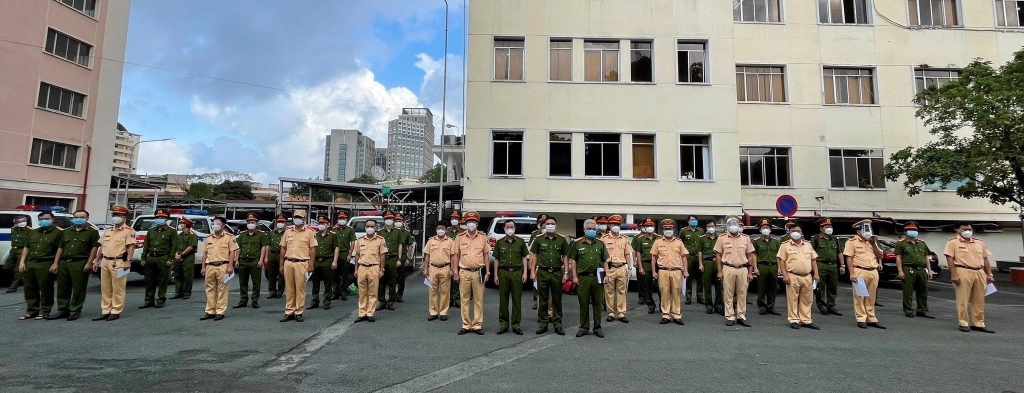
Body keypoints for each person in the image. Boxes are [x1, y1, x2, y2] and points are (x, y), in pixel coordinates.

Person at [944, 223, 995, 333]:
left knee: (979, 299)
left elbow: (985, 259)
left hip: (979, 271)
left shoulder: (979, 242)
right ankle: (963, 322)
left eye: (969, 229)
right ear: (958, 230)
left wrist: (989, 274)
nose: (967, 231)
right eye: (964, 229)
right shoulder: (952, 242)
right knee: (963, 299)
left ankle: (978, 323)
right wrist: (954, 274)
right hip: (963, 270)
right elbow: (950, 259)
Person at [52, 209, 99, 321]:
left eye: (82, 217)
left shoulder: (92, 232)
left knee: (78, 288)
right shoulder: (66, 231)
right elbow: (60, 247)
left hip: (80, 262)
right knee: (62, 287)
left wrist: (89, 262)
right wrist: (55, 263)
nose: (78, 219)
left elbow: (94, 248)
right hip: (64, 262)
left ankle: (75, 310)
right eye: (76, 217)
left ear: (87, 218)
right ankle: (63, 309)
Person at [92, 205, 136, 321]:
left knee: (118, 288)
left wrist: (128, 261)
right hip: (106, 261)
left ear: (124, 217)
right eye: (114, 215)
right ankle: (106, 310)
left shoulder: (129, 231)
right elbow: (102, 247)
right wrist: (96, 260)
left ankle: (116, 310)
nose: (115, 217)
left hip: (119, 261)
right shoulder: (108, 230)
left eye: (118, 215)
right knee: (105, 287)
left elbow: (130, 247)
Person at [18, 211, 62, 320]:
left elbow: (59, 249)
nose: (44, 221)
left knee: (45, 287)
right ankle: (32, 310)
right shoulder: (34, 232)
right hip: (31, 262)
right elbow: (27, 247)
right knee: (29, 287)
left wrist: (55, 263)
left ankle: (44, 310)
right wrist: (22, 262)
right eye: (41, 219)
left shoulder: (58, 233)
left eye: (46, 219)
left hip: (46, 262)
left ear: (52, 219)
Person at [569, 219, 610, 337]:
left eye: (593, 229)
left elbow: (604, 261)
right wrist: (574, 276)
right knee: (584, 303)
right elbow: (574, 261)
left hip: (597, 277)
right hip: (583, 278)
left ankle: (597, 328)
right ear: (584, 229)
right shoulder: (577, 244)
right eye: (589, 229)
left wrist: (607, 275)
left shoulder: (600, 244)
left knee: (598, 303)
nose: (592, 231)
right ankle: (584, 327)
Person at [452, 211, 490, 335]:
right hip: (464, 272)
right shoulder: (460, 237)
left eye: (473, 222)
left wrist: (488, 271)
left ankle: (477, 325)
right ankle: (466, 324)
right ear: (465, 223)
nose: (471, 224)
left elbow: (485, 255)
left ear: (477, 223)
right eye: (469, 222)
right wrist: (455, 272)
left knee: (479, 299)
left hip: (478, 272)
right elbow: (456, 255)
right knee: (464, 299)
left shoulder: (482, 237)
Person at [530, 216, 569, 335]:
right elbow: (535, 256)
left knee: (557, 299)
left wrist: (566, 272)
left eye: (552, 223)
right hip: (543, 272)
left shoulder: (562, 239)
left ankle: (558, 324)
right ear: (544, 226)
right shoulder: (539, 239)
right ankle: (543, 324)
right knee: (543, 300)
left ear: (556, 226)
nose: (550, 226)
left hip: (557, 272)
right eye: (548, 224)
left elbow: (565, 256)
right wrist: (532, 271)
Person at [844, 220, 885, 329]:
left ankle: (871, 318)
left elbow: (880, 255)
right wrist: (852, 273)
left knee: (871, 297)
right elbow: (849, 257)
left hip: (873, 271)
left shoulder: (872, 241)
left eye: (869, 229)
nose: (867, 232)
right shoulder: (851, 242)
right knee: (860, 296)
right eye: (865, 230)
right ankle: (861, 318)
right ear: (858, 231)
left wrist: (873, 245)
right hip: (859, 270)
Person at [715, 215, 756, 327]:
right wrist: (719, 271)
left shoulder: (746, 238)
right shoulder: (721, 238)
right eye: (730, 224)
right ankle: (730, 316)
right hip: (728, 268)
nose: (733, 226)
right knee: (728, 294)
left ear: (739, 225)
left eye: (735, 224)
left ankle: (741, 316)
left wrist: (750, 272)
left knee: (742, 294)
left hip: (743, 268)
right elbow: (718, 255)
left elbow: (750, 255)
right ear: (727, 226)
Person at [777, 225, 820, 330]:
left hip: (807, 276)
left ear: (802, 233)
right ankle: (794, 320)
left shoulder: (808, 245)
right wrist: (785, 275)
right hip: (793, 275)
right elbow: (782, 261)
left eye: (798, 231)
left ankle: (806, 320)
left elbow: (813, 260)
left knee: (807, 300)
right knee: (793, 299)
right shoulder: (785, 245)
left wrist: (816, 274)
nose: (796, 232)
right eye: (793, 231)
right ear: (789, 233)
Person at [279, 210, 317, 322]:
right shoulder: (288, 232)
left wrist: (311, 265)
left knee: (300, 288)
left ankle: (298, 311)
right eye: (295, 217)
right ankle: (289, 311)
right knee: (289, 288)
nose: (297, 219)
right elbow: (283, 248)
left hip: (302, 263)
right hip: (289, 262)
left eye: (299, 217)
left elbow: (312, 249)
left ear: (304, 219)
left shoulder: (310, 232)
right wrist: (281, 264)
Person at [199, 217, 238, 321]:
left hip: (223, 265)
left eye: (217, 223)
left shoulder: (229, 237)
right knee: (209, 289)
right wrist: (203, 267)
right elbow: (205, 254)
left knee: (222, 289)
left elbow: (232, 252)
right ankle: (210, 310)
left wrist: (230, 266)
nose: (214, 225)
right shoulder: (209, 238)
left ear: (223, 225)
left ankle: (220, 311)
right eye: (213, 223)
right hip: (210, 266)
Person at [493, 220, 529, 335]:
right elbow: (497, 259)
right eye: (507, 227)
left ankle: (516, 325)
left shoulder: (520, 242)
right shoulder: (499, 243)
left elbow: (524, 257)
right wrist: (495, 274)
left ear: (515, 228)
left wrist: (525, 273)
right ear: (504, 228)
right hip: (503, 272)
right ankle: (503, 324)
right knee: (503, 300)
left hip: (517, 272)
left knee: (516, 300)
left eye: (512, 227)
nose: (510, 229)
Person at [651, 219, 688, 326]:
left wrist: (686, 271)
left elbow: (684, 257)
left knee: (676, 293)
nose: (668, 230)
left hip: (676, 271)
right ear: (663, 229)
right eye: (666, 229)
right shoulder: (657, 242)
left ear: (673, 229)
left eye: (670, 229)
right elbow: (654, 257)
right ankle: (665, 314)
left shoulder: (679, 242)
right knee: (664, 293)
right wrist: (654, 271)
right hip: (663, 270)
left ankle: (676, 315)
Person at [895, 221, 934, 318]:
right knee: (908, 290)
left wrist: (929, 270)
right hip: (908, 269)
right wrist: (900, 270)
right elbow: (898, 257)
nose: (913, 232)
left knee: (923, 290)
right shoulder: (901, 244)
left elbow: (926, 257)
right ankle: (908, 309)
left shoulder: (922, 243)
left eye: (915, 230)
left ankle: (922, 310)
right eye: (910, 230)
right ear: (905, 231)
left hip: (921, 269)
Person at [139, 209, 177, 309]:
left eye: (162, 218)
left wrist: (170, 259)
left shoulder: (171, 231)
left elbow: (174, 246)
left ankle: (161, 299)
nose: (159, 219)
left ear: (166, 219)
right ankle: (149, 300)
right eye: (157, 218)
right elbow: (146, 245)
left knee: (162, 280)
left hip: (163, 257)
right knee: (149, 280)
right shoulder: (151, 231)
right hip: (151, 257)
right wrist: (143, 258)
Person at [353, 219, 388, 322]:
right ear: (365, 227)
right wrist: (356, 269)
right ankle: (362, 313)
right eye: (368, 226)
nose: (370, 228)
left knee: (372, 292)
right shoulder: (360, 240)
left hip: (374, 267)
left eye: (372, 226)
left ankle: (370, 313)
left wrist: (382, 269)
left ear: (376, 228)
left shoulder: (380, 240)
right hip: (362, 267)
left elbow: (382, 255)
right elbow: (357, 255)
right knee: (362, 292)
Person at [601, 214, 633, 323]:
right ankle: (610, 312)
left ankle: (621, 313)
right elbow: (601, 255)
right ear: (609, 225)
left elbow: (627, 254)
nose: (616, 226)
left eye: (618, 224)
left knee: (622, 291)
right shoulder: (604, 239)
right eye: (614, 224)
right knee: (609, 291)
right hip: (609, 268)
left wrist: (629, 268)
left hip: (621, 267)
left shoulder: (624, 239)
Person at [811, 218, 844, 316]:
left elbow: (840, 253)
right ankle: (822, 306)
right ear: (821, 228)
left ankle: (832, 306)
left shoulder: (835, 239)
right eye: (826, 227)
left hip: (833, 265)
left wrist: (842, 265)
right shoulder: (816, 238)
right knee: (820, 287)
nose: (829, 228)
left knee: (833, 286)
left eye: (830, 226)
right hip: (820, 265)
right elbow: (811, 253)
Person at [234, 213, 268, 309]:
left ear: (256, 223)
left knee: (256, 282)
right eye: (249, 222)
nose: (250, 224)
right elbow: (239, 248)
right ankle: (243, 300)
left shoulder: (261, 235)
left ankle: (255, 300)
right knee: (243, 282)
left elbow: (263, 247)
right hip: (243, 260)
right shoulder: (242, 235)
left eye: (252, 222)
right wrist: (236, 260)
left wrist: (261, 260)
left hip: (255, 260)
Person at [423, 221, 455, 321]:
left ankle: (443, 312)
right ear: (436, 229)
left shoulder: (450, 241)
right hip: (432, 268)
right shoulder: (431, 241)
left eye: (442, 228)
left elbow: (453, 256)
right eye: (438, 228)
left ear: (446, 229)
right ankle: (433, 312)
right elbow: (427, 255)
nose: (440, 230)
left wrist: (452, 269)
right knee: (432, 291)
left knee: (445, 291)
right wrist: (425, 268)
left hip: (446, 268)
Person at [631, 217, 661, 314]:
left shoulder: (659, 238)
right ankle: (650, 304)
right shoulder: (640, 239)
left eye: (651, 226)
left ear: (654, 226)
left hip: (658, 263)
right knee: (647, 285)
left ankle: (662, 304)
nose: (649, 228)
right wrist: (640, 266)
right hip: (646, 263)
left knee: (660, 285)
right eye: (647, 226)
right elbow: (638, 253)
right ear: (644, 227)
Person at [753, 219, 782, 316]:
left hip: (773, 265)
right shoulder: (756, 242)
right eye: (763, 228)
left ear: (770, 229)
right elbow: (754, 255)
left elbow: (778, 255)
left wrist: (779, 268)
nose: (765, 229)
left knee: (773, 288)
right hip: (762, 266)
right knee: (762, 287)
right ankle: (761, 307)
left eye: (767, 227)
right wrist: (755, 268)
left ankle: (770, 307)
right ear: (760, 230)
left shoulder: (775, 242)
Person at [376, 211, 404, 311]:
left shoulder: (397, 231)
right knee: (381, 280)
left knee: (392, 281)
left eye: (391, 219)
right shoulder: (380, 232)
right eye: (387, 219)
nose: (389, 221)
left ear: (393, 220)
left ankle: (391, 301)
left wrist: (399, 259)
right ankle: (382, 301)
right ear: (384, 220)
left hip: (393, 258)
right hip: (382, 258)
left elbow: (400, 245)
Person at [310, 216, 338, 310]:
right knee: (315, 282)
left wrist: (334, 261)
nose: (321, 225)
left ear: (328, 225)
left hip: (327, 260)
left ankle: (327, 301)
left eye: (323, 224)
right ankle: (314, 301)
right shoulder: (315, 235)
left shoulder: (332, 235)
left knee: (328, 282)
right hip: (317, 261)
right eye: (320, 223)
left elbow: (336, 248)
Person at [697, 221, 724, 315]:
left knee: (719, 285)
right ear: (706, 228)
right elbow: (700, 252)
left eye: (712, 226)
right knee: (707, 285)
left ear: (715, 227)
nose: (711, 228)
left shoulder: (720, 238)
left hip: (718, 263)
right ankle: (709, 306)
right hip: (707, 262)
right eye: (709, 226)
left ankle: (718, 306)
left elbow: (723, 251)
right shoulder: (702, 239)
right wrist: (700, 264)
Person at [169, 218, 199, 300]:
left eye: (182, 223)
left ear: (185, 225)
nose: (180, 224)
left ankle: (186, 292)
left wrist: (181, 255)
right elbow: (175, 246)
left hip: (188, 257)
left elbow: (190, 247)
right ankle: (178, 292)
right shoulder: (180, 235)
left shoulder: (193, 235)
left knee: (187, 275)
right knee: (177, 274)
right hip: (178, 256)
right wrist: (176, 255)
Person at [332, 211, 356, 301]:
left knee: (345, 274)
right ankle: (336, 292)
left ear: (346, 220)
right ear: (337, 220)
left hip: (345, 253)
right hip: (335, 254)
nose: (342, 220)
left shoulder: (350, 229)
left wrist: (350, 254)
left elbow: (353, 242)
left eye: (344, 219)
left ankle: (344, 292)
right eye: (340, 219)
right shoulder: (334, 229)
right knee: (334, 274)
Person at [527, 214, 549, 311]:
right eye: (541, 222)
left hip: (548, 262)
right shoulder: (535, 235)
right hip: (537, 262)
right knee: (537, 285)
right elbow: (531, 250)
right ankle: (537, 301)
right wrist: (531, 263)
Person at [680, 215, 703, 305]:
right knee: (688, 277)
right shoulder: (683, 231)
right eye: (692, 220)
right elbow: (680, 244)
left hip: (699, 257)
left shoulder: (701, 231)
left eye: (695, 220)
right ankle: (688, 297)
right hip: (689, 257)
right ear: (688, 221)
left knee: (700, 278)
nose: (694, 221)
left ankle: (700, 296)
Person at [5, 216, 31, 293]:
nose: (21, 223)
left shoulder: (29, 230)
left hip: (22, 250)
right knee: (7, 266)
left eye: (22, 221)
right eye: (19, 222)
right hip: (13, 250)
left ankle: (13, 286)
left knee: (18, 269)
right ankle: (25, 277)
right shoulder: (13, 229)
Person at [394, 213, 416, 303]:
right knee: (391, 278)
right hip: (391, 257)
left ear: (403, 222)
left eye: (400, 221)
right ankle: (391, 296)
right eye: (396, 221)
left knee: (401, 278)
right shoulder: (391, 232)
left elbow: (410, 246)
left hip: (403, 257)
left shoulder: (406, 233)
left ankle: (399, 296)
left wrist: (408, 258)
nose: (398, 223)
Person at [265, 215, 288, 299]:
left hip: (282, 255)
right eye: (278, 222)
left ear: (285, 223)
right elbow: (268, 245)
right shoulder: (271, 233)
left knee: (281, 274)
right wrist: (266, 257)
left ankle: (280, 291)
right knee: (271, 274)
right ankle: (272, 291)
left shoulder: (287, 233)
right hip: (272, 254)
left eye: (282, 222)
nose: (280, 224)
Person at [446, 211, 465, 309]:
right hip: (448, 258)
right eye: (453, 219)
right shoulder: (446, 231)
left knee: (457, 279)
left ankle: (457, 299)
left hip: (459, 258)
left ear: (459, 220)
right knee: (448, 278)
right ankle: (449, 299)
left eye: (456, 219)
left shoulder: (462, 232)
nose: (454, 220)